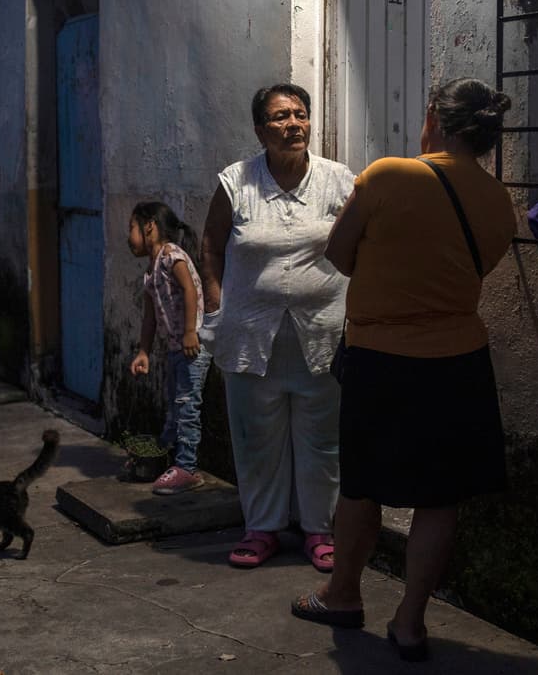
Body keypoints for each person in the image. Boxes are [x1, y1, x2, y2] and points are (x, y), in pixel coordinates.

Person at [290, 78, 517, 663]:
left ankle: (342, 594)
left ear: (435, 120)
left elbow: (339, 257)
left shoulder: (389, 174)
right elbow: (477, 269)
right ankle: (411, 623)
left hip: (382, 360)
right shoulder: (498, 200)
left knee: (363, 487)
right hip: (460, 362)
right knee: (440, 497)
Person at [199, 83, 354, 571]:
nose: (294, 124)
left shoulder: (338, 181)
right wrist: (216, 307)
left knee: (322, 439)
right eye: (281, 117)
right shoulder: (235, 183)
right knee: (255, 437)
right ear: (260, 130)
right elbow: (211, 245)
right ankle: (262, 528)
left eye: (301, 114)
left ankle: (319, 531)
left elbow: (360, 245)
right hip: (249, 333)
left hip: (322, 333)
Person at [127, 201, 212, 496]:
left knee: (187, 407)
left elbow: (189, 288)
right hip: (175, 349)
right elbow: (150, 316)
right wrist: (143, 352)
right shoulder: (151, 271)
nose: (129, 236)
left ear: (149, 226)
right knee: (175, 408)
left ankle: (187, 468)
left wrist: (191, 332)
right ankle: (164, 458)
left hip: (192, 348)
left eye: (132, 227)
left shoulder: (172, 256)